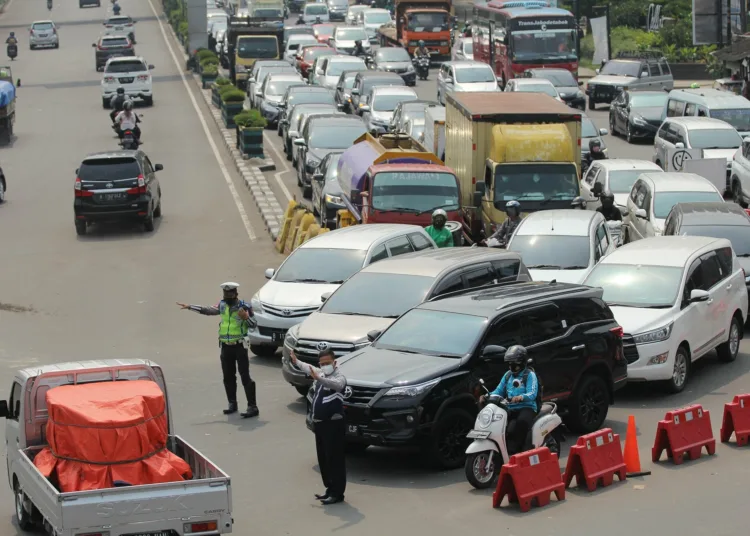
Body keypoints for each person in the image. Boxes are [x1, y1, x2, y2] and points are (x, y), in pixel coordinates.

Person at [176, 283, 260, 418]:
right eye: (225, 295)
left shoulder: (245, 306)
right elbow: (208, 310)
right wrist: (190, 307)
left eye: (230, 295)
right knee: (228, 377)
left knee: (245, 376)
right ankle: (232, 403)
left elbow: (254, 324)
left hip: (239, 346)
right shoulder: (222, 305)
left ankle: (252, 406)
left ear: (236, 294)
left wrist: (246, 318)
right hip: (225, 346)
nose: (227, 297)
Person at [290, 347, 347, 505]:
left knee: (334, 459)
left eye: (327, 363)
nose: (324, 366)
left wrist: (319, 378)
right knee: (324, 459)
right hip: (321, 425)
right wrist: (296, 361)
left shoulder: (338, 377)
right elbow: (308, 368)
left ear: (334, 362)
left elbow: (338, 385)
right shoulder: (320, 373)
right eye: (321, 364)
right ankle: (329, 489)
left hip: (333, 425)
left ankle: (337, 493)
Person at [481, 345, 538, 454]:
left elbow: (532, 393)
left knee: (521, 422)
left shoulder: (529, 375)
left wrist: (521, 397)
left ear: (521, 363)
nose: (511, 367)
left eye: (514, 365)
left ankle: (521, 451)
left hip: (527, 407)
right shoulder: (508, 376)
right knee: (501, 424)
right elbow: (498, 391)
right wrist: (486, 396)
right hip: (510, 407)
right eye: (509, 364)